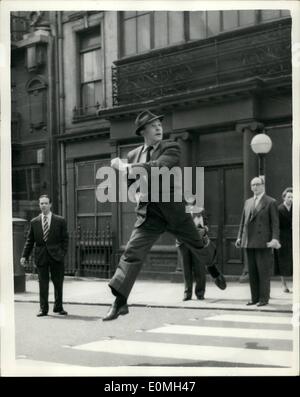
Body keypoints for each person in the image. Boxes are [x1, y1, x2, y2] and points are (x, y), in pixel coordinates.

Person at [103, 109, 227, 321]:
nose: (159, 127)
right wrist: (133, 186)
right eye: (153, 125)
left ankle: (212, 267)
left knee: (197, 244)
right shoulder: (134, 154)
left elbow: (158, 167)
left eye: (160, 124)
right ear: (143, 131)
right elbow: (131, 184)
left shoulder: (171, 146)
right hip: (149, 214)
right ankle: (120, 302)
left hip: (173, 210)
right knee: (132, 253)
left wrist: (124, 167)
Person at [20, 195, 69, 317]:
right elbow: (30, 241)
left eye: (46, 203)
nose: (43, 206)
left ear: (50, 204)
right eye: (41, 203)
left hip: (56, 256)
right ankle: (43, 309)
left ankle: (58, 307)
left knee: (58, 282)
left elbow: (65, 239)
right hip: (41, 256)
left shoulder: (60, 220)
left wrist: (62, 253)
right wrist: (24, 256)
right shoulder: (34, 222)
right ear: (39, 205)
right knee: (43, 283)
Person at [235, 177, 280, 307]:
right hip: (248, 241)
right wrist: (239, 237)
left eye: (257, 184)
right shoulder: (248, 202)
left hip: (263, 242)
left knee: (263, 272)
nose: (254, 187)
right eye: (252, 185)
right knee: (252, 272)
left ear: (263, 186)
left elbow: (275, 223)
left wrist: (275, 239)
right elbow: (243, 222)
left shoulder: (271, 202)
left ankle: (264, 299)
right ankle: (254, 298)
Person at [177, 203, 212, 301]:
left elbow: (206, 226)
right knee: (186, 268)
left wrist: (203, 230)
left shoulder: (200, 210)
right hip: (183, 242)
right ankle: (187, 293)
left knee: (199, 268)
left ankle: (200, 293)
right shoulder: (180, 209)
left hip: (197, 242)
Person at [275, 187, 293, 293]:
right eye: (289, 197)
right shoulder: (279, 209)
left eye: (292, 197)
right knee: (283, 261)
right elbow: (276, 225)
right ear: (284, 198)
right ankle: (284, 284)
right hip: (283, 237)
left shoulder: (296, 208)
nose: (290, 199)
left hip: (293, 236)